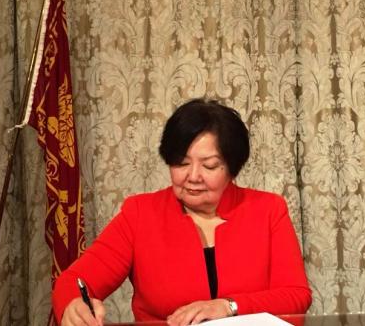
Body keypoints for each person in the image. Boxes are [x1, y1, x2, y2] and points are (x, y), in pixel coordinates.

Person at [53, 99, 312, 326]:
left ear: (232, 167)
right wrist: (73, 305)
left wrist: (229, 306)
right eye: (182, 163)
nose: (193, 176)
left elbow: (296, 296)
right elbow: (73, 281)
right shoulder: (140, 214)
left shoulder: (268, 210)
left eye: (210, 166)